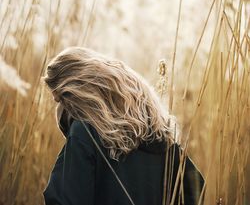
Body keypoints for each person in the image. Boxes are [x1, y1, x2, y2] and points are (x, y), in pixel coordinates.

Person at [42, 46, 205, 205]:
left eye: (61, 99)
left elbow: (65, 200)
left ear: (75, 93)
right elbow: (196, 191)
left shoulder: (85, 133)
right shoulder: (161, 138)